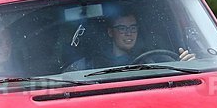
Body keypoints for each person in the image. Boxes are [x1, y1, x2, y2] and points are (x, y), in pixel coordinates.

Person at [66, 12, 195, 71]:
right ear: (111, 32)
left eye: (133, 28)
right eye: (122, 28)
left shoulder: (154, 60)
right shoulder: (90, 65)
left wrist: (186, 66)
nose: (129, 33)